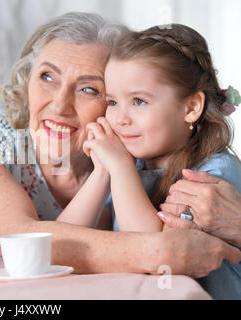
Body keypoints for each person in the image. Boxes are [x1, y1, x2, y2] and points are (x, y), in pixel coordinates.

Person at [0, 12, 241, 280]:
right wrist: (159, 251)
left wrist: (108, 168)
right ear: (27, 80)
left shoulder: (134, 164)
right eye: (47, 76)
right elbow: (20, 242)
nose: (59, 105)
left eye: (89, 89)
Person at [68, 24, 240, 299]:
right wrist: (102, 171)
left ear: (191, 108)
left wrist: (120, 168)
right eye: (112, 102)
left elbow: (158, 259)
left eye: (138, 101)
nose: (121, 118)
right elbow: (68, 242)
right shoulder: (132, 167)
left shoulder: (211, 176)